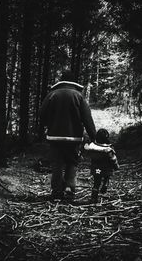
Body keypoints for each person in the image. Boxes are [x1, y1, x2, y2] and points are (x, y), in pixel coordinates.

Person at [40, 71, 96, 201]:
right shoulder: (79, 96)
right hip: (74, 138)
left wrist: (48, 125)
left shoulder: (52, 95)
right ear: (73, 82)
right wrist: (94, 138)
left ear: (61, 81)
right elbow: (87, 118)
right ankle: (69, 189)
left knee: (57, 164)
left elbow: (42, 114)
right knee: (72, 162)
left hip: (54, 137)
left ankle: (56, 192)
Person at [88, 128, 119, 203]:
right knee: (106, 176)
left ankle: (94, 198)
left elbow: (89, 155)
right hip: (106, 168)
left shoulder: (92, 147)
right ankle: (105, 184)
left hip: (96, 169)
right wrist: (116, 166)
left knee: (96, 183)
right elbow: (113, 159)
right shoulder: (108, 148)